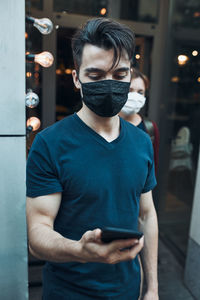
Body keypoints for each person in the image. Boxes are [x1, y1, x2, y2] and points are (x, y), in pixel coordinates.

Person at [26, 18, 159, 300]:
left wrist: (152, 289)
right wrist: (80, 251)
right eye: (96, 76)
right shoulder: (50, 144)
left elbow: (146, 215)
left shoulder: (141, 142)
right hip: (68, 293)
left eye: (120, 74)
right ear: (77, 78)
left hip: (127, 291)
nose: (110, 85)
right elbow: (37, 235)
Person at [119, 68, 159, 173]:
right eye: (129, 90)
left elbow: (152, 168)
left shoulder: (149, 127)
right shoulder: (104, 123)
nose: (135, 96)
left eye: (140, 92)